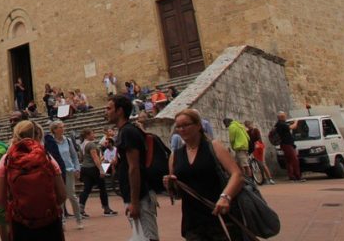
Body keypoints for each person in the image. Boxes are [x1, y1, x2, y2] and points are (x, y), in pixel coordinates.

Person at [165, 109, 245, 241]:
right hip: (193, 222)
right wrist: (170, 185)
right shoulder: (175, 156)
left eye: (186, 125)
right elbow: (177, 194)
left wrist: (226, 197)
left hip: (220, 215)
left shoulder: (214, 146)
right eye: (178, 127)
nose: (181, 129)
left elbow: (237, 175)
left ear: (198, 126)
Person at [0, 119, 67, 241]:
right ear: (36, 135)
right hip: (49, 221)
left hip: (21, 223)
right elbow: (62, 195)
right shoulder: (46, 157)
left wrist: (16, 211)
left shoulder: (6, 160)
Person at [106, 95, 158, 241]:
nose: (106, 112)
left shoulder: (128, 132)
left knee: (148, 237)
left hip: (140, 196)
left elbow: (134, 167)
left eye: (109, 108)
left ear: (120, 111)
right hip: (135, 195)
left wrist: (134, 202)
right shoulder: (125, 131)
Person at [48, 120, 83, 229]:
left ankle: (79, 219)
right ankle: (62, 221)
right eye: (60, 127)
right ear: (54, 130)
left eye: (63, 127)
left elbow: (74, 156)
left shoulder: (68, 140)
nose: (63, 129)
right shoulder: (51, 142)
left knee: (72, 195)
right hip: (57, 172)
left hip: (68, 170)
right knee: (60, 196)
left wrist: (77, 168)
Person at [77, 128, 118, 218]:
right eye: (92, 133)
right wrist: (101, 169)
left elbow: (81, 158)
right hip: (93, 168)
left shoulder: (82, 145)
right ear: (87, 135)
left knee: (87, 189)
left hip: (84, 168)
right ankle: (106, 209)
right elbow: (95, 158)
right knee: (102, 188)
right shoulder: (91, 144)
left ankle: (80, 209)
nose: (94, 135)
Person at [274, 111, 303, 182]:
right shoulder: (281, 124)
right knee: (294, 159)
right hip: (287, 144)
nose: (285, 117)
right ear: (281, 117)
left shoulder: (280, 124)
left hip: (286, 144)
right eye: (284, 116)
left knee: (288, 161)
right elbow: (293, 127)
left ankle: (291, 176)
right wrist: (296, 122)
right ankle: (297, 176)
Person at [244, 120, 275, 184]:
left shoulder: (256, 130)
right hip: (253, 148)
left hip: (260, 147)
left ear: (251, 124)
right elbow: (248, 141)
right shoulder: (247, 132)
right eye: (247, 125)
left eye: (249, 125)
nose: (248, 126)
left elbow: (259, 138)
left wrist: (256, 144)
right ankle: (263, 179)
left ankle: (270, 178)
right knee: (255, 163)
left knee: (263, 163)